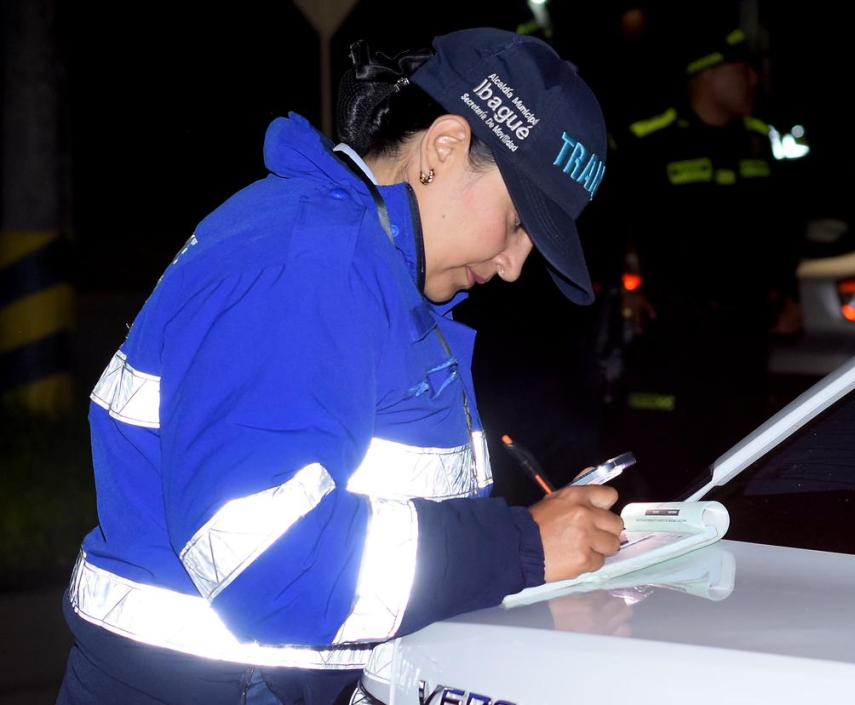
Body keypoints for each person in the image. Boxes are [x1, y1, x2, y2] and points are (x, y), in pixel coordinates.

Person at [58, 28, 623, 705]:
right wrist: (521, 546)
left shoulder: (372, 268)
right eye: (519, 221)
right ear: (443, 149)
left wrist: (523, 544)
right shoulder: (308, 265)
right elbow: (273, 563)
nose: (512, 265)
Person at [602, 27, 801, 486]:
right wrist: (622, 293)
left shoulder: (758, 140)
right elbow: (612, 229)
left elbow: (781, 230)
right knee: (670, 456)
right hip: (675, 330)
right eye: (742, 69)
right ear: (706, 75)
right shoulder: (648, 142)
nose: (754, 79)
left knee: (742, 451)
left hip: (747, 329)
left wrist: (789, 294)